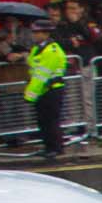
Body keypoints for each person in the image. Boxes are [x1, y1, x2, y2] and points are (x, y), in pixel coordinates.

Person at [22, 19, 68, 158]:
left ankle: (56, 148)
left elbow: (41, 76)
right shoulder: (37, 48)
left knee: (51, 120)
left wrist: (30, 95)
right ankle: (48, 146)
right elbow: (33, 68)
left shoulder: (51, 50)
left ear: (46, 33)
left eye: (37, 32)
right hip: (42, 90)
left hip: (52, 90)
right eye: (33, 32)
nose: (34, 35)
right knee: (42, 121)